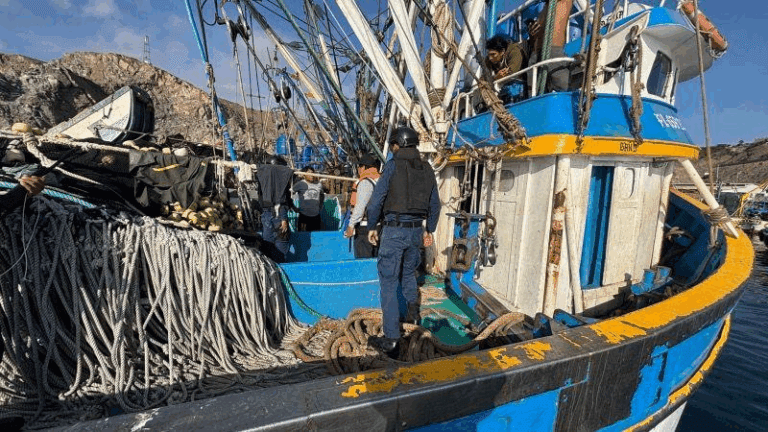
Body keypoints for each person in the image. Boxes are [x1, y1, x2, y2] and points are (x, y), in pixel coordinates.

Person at [366, 127, 441, 358]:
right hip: (415, 232)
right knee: (409, 275)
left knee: (388, 283)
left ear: (398, 144)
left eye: (393, 145)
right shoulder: (427, 168)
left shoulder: (392, 166)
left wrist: (371, 226)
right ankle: (413, 318)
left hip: (394, 231)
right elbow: (435, 206)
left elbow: (376, 200)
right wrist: (429, 230)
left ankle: (391, 340)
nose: (392, 149)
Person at [256, 155, 293, 262]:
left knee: (268, 244)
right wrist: (284, 219)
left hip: (266, 215)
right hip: (278, 215)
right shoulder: (279, 181)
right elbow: (280, 200)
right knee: (281, 242)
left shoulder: (263, 178)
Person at [344, 153, 380, 258]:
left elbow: (360, 207)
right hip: (378, 226)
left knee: (363, 260)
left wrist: (351, 225)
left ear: (363, 167)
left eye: (359, 166)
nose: (358, 170)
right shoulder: (380, 181)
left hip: (364, 229)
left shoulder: (365, 183)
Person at [484, 34, 528, 104]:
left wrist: (499, 76)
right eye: (489, 54)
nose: (490, 58)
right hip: (502, 85)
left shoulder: (515, 51)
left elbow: (513, 71)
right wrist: (496, 77)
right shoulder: (488, 60)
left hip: (518, 84)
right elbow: (485, 77)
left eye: (493, 54)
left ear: (502, 52)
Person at [293, 166, 326, 232]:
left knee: (316, 237)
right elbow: (289, 194)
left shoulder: (318, 184)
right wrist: (293, 207)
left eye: (312, 173)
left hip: (316, 216)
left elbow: (322, 195)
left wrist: (320, 205)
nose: (311, 175)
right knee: (303, 238)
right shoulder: (300, 184)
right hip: (304, 216)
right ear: (304, 175)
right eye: (309, 173)